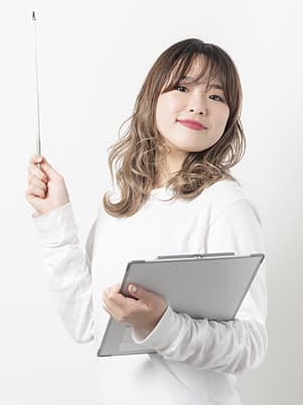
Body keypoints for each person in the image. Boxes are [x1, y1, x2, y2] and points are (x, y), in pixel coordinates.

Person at [25, 38, 267, 405]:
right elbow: (86, 323)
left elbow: (250, 345)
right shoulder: (121, 205)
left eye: (216, 96)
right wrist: (55, 218)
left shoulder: (224, 204)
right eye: (182, 87)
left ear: (228, 118)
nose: (198, 105)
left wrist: (159, 324)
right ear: (151, 97)